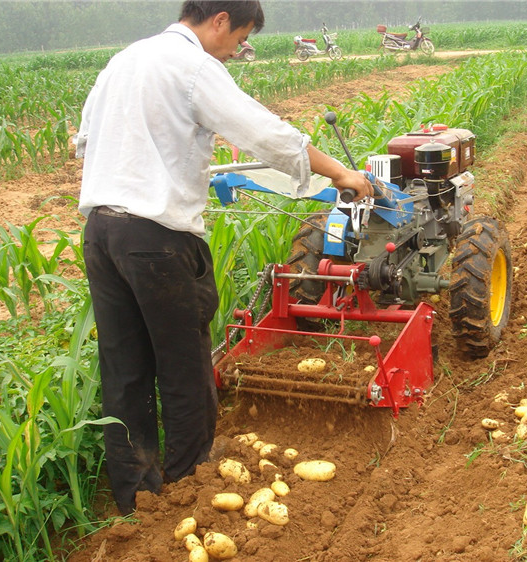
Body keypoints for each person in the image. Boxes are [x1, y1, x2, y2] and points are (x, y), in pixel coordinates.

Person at [74, 0, 373, 515]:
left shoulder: (125, 60)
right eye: (238, 39)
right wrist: (341, 174)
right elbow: (268, 135)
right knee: (184, 364)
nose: (236, 51)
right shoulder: (194, 67)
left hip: (101, 234)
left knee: (123, 371)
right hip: (158, 238)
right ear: (218, 21)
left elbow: (84, 142)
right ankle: (190, 484)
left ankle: (136, 499)